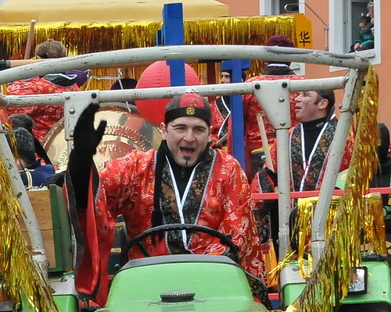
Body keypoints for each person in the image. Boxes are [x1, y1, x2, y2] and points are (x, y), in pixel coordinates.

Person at [71, 92, 267, 290]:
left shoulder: (228, 170)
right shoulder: (137, 168)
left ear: (209, 134)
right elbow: (93, 197)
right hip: (145, 281)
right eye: (180, 128)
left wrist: (189, 276)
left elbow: (237, 235)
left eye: (198, 129)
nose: (189, 137)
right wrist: (80, 161)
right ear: (164, 131)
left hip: (212, 281)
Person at [1, 39, 82, 146]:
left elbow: (14, 107)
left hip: (40, 148)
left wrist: (19, 79)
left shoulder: (39, 87)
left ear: (40, 60)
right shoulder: (74, 87)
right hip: (65, 146)